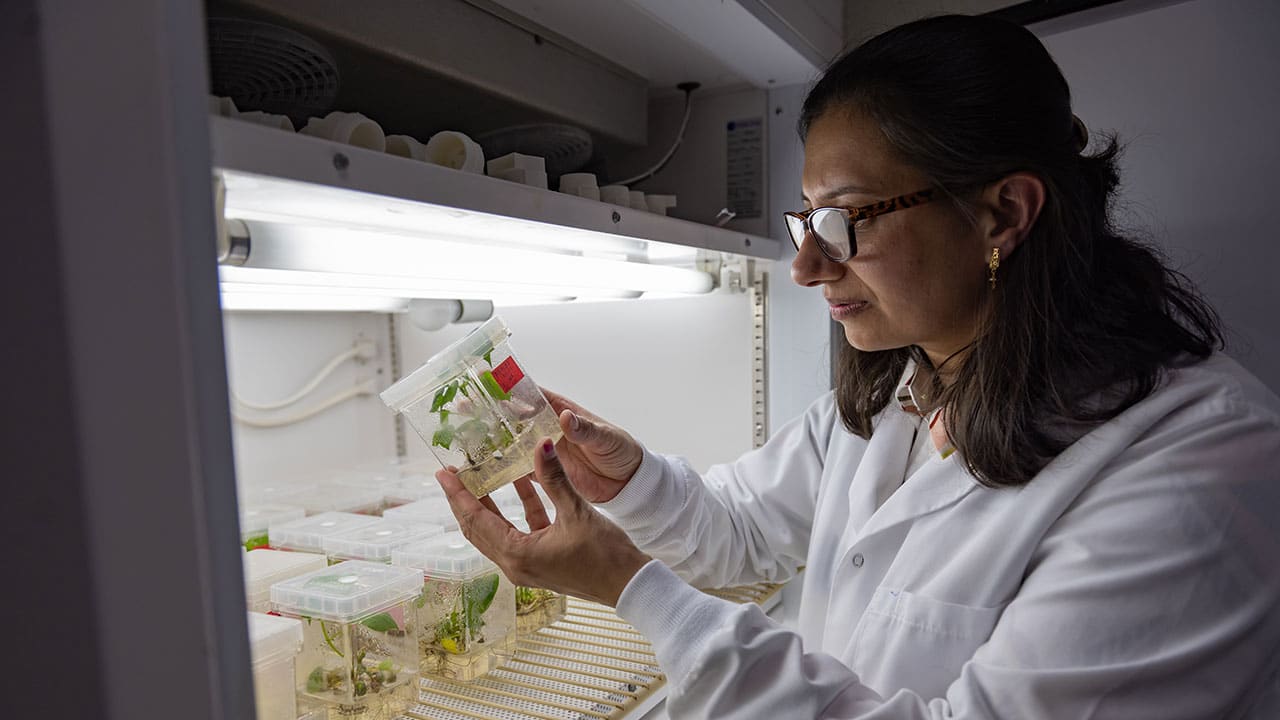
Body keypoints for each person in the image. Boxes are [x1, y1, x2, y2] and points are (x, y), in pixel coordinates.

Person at [436, 14, 1280, 719]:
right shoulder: (906, 389)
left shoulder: (1195, 469)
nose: (806, 267)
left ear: (1002, 212)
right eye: (810, 221)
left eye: (846, 220)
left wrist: (631, 587)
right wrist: (626, 480)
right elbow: (745, 535)